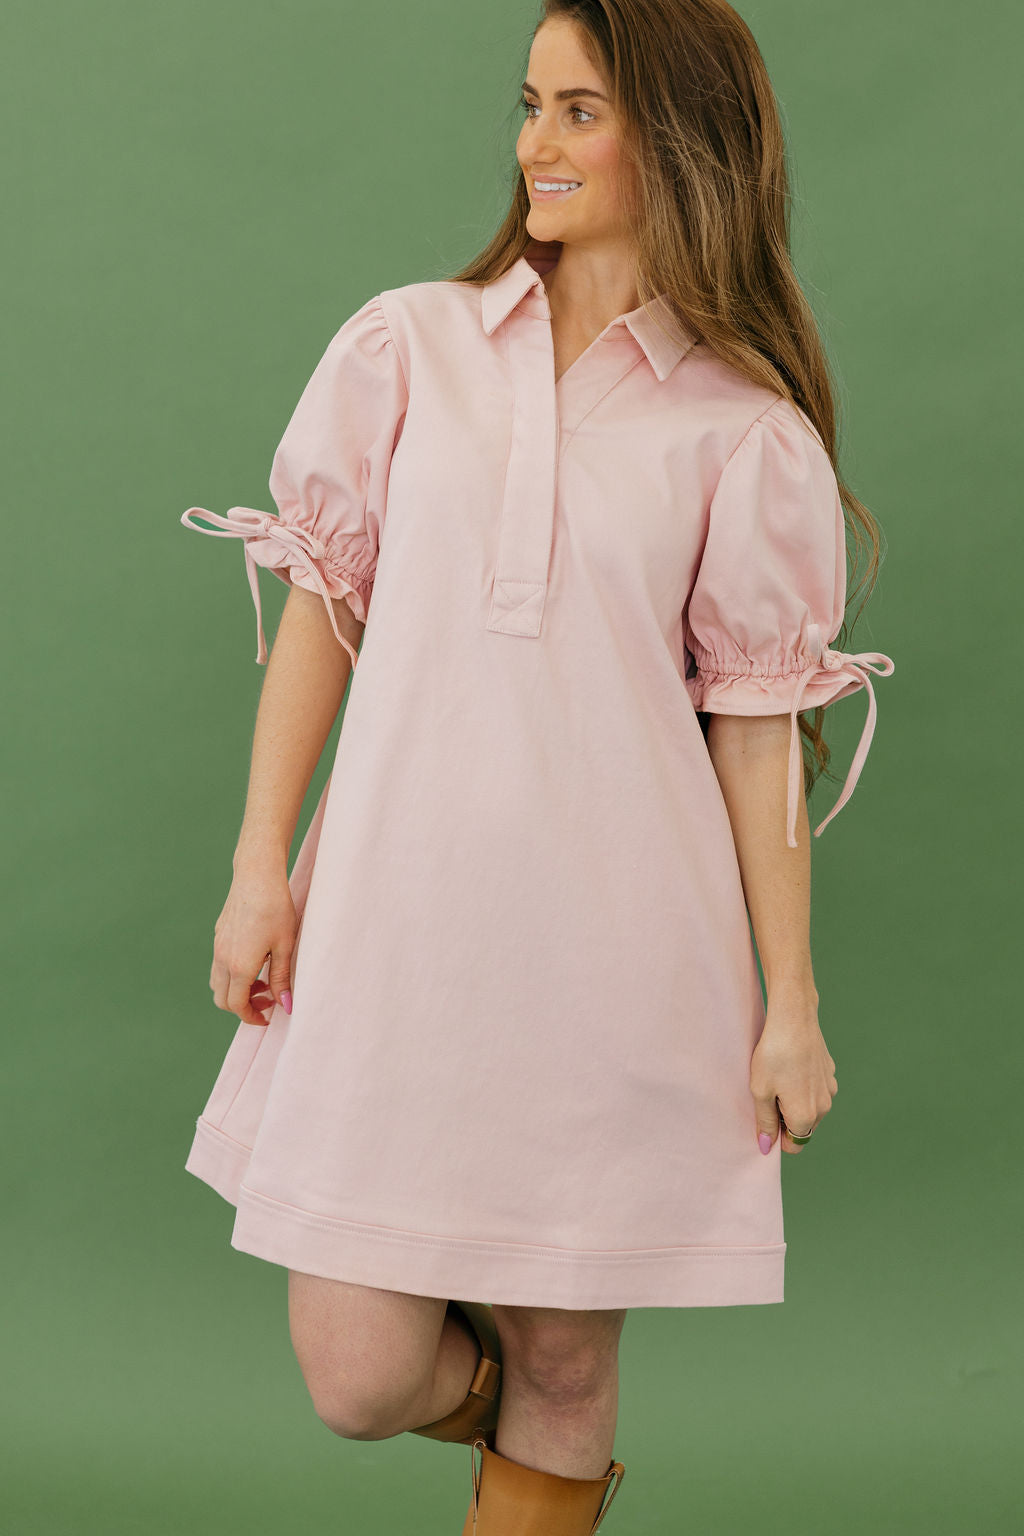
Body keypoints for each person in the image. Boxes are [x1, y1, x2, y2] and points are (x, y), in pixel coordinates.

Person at [179, 2, 895, 1531]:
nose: (534, 145)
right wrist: (259, 867)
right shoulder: (410, 346)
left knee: (569, 1359)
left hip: (617, 955)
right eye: (530, 104)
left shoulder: (740, 431)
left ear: (679, 142)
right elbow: (323, 606)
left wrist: (792, 1004)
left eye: (581, 112)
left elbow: (755, 729)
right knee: (357, 1371)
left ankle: (549, 1447)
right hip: (395, 928)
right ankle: (534, 1431)